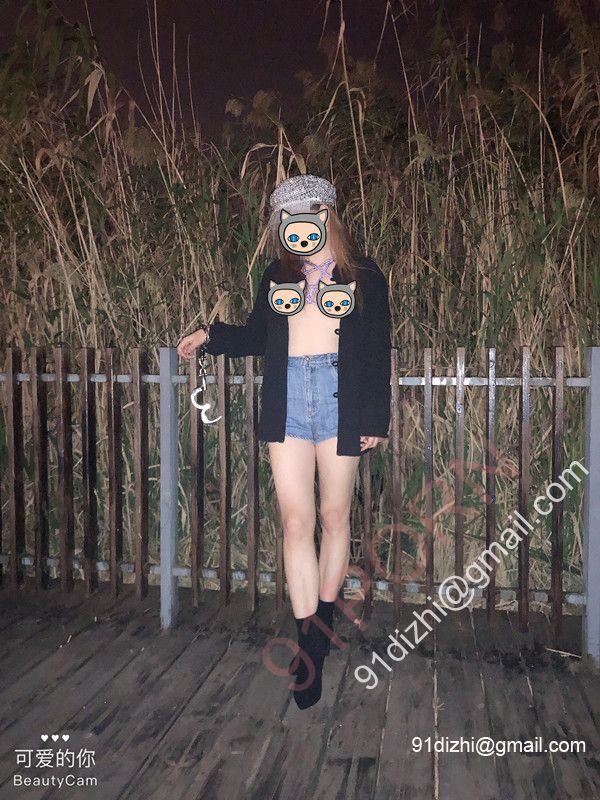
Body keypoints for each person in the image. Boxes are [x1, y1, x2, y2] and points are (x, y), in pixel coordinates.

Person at [177, 175, 391, 709]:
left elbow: (377, 349)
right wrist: (211, 335)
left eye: (306, 211)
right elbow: (257, 334)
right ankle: (308, 639)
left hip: (342, 397)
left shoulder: (364, 275)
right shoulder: (277, 275)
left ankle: (316, 635)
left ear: (326, 213)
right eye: (285, 217)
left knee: (334, 518)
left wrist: (374, 417)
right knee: (296, 522)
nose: (296, 224)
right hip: (288, 396)